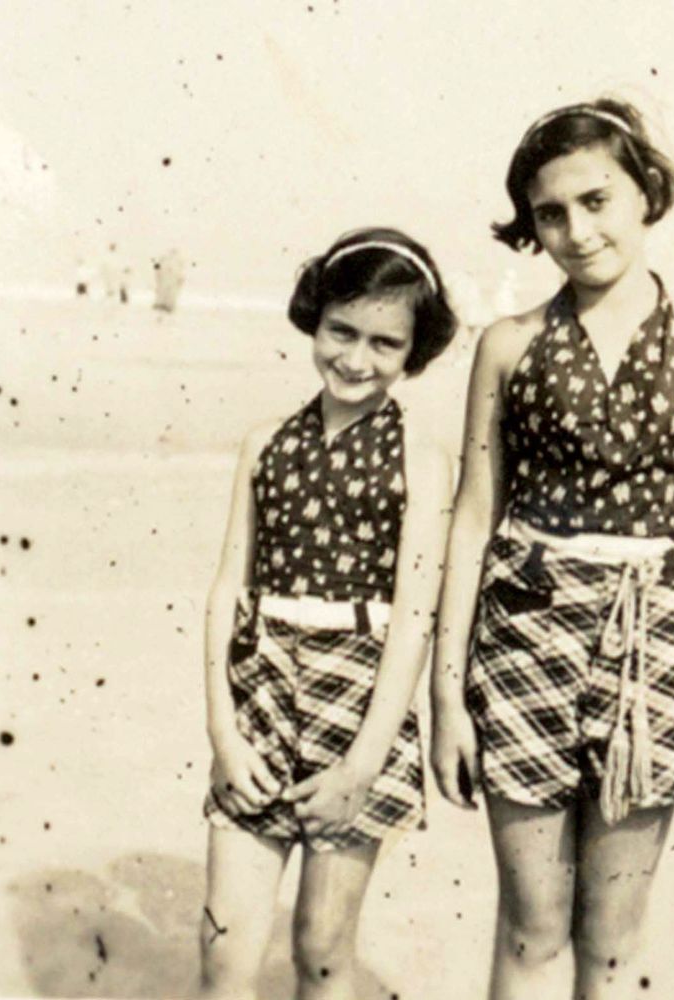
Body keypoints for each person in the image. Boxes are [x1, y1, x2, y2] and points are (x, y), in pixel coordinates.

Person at [431, 99, 674, 999]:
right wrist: (446, 694)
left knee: (612, 942)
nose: (577, 230)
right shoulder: (507, 347)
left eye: (597, 199)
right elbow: (470, 519)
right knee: (532, 930)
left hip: (655, 655)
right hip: (522, 647)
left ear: (646, 192)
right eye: (550, 213)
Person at [199, 227, 456, 999]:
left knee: (320, 948)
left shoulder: (422, 458)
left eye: (385, 342)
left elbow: (416, 616)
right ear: (313, 319)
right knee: (224, 957)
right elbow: (224, 594)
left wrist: (364, 764)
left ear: (414, 350)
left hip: (361, 708)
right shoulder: (264, 443)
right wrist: (223, 732)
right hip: (260, 698)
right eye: (341, 331)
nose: (356, 357)